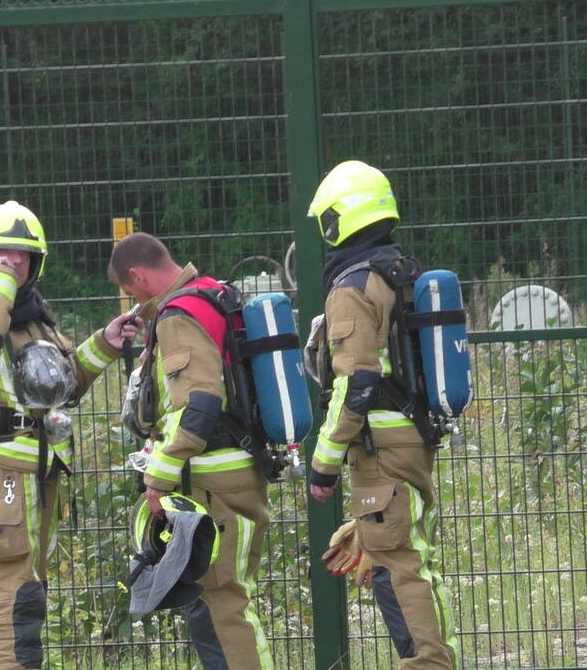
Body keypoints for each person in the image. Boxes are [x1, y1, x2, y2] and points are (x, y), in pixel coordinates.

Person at [0, 200, 140, 669]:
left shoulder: (38, 322)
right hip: (0, 474)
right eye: (0, 255)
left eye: (22, 257)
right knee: (13, 600)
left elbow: (61, 384)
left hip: (43, 473)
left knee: (28, 597)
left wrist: (105, 343)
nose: (12, 263)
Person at [306, 161, 460, 669]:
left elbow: (357, 382)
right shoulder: (401, 272)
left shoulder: (353, 284)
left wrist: (323, 464)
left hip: (382, 450)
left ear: (339, 220)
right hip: (410, 439)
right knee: (410, 561)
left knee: (397, 570)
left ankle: (427, 665)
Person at [109, 232, 273, 670]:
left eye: (130, 292)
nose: (133, 302)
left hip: (212, 483)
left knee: (222, 613)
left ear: (137, 275)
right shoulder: (214, 297)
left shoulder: (177, 315)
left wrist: (156, 479)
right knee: (225, 607)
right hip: (237, 470)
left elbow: (199, 403)